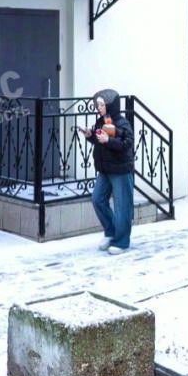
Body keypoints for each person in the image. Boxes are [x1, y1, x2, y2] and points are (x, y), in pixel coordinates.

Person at [78, 89, 135, 255]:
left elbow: (126, 144)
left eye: (102, 105)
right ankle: (111, 232)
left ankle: (122, 242)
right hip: (105, 169)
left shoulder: (122, 123)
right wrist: (90, 135)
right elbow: (99, 140)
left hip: (120, 170)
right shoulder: (100, 122)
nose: (99, 108)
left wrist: (109, 140)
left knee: (122, 206)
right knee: (97, 199)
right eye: (98, 105)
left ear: (111, 105)